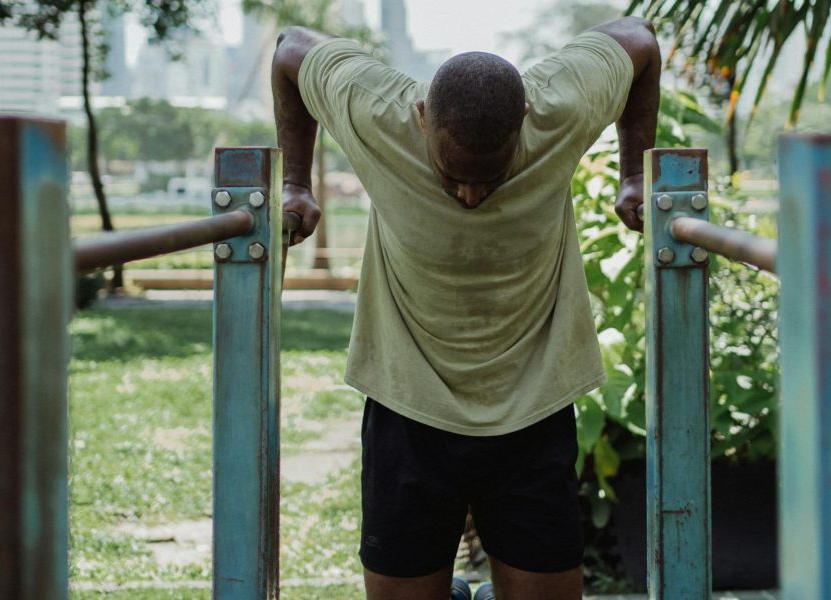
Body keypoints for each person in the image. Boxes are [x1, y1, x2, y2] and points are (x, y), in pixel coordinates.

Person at [272, 16, 659, 600]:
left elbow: (641, 40)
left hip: (534, 402)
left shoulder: (560, 106)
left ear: (526, 119)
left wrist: (635, 172)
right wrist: (296, 182)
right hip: (409, 402)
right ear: (421, 117)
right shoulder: (378, 109)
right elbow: (289, 50)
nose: (471, 196)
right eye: (454, 175)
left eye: (490, 175)